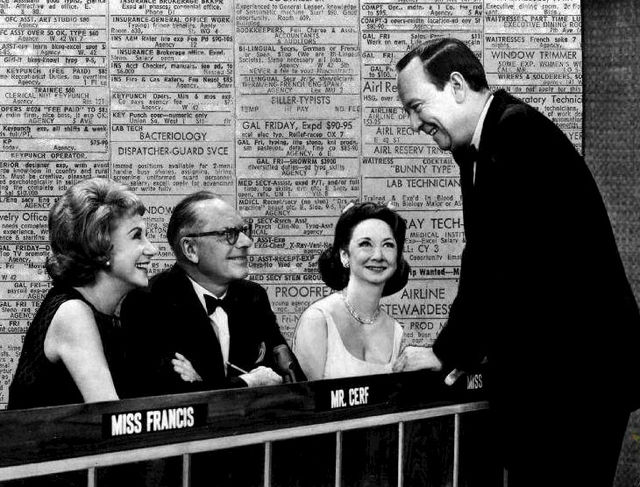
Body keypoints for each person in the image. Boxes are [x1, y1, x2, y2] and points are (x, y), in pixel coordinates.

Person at [393, 37, 640, 487]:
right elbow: (486, 256)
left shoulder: (515, 131)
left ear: (456, 85)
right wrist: (468, 350)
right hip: (560, 378)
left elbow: (500, 262)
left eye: (415, 105)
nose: (413, 124)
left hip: (577, 381)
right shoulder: (477, 144)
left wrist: (447, 351)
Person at [123, 190, 303, 397]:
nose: (246, 242)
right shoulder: (148, 303)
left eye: (244, 231)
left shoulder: (253, 297)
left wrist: (204, 383)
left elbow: (290, 381)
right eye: (228, 233)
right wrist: (247, 382)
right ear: (191, 249)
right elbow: (169, 397)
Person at [8, 177, 157, 410]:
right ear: (100, 244)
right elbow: (114, 421)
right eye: (137, 235)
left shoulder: (112, 312)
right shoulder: (73, 314)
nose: (152, 249)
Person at [294, 201, 410, 380]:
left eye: (388, 245)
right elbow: (306, 403)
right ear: (344, 255)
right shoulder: (318, 319)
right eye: (365, 244)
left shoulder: (396, 331)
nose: (378, 256)